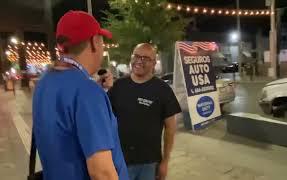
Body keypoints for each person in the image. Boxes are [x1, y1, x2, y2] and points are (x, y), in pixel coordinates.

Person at [32, 11, 129, 180]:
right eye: (102, 41)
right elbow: (102, 173)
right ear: (94, 42)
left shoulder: (44, 82)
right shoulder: (87, 92)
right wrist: (93, 95)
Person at [103, 43, 182, 180]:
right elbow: (104, 119)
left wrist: (165, 161)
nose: (139, 61)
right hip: (120, 160)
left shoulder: (163, 90)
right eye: (137, 56)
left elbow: (170, 128)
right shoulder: (118, 87)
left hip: (149, 163)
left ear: (153, 63)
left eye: (146, 58)